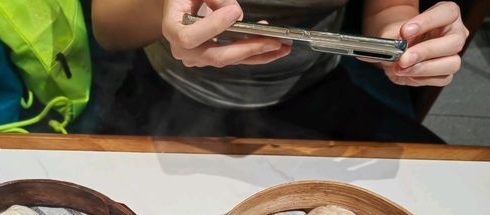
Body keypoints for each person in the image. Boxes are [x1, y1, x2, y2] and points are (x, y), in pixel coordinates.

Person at [90, 0, 469, 142]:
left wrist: (402, 41)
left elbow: (389, 9)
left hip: (312, 89)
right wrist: (164, 10)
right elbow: (108, 28)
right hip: (166, 88)